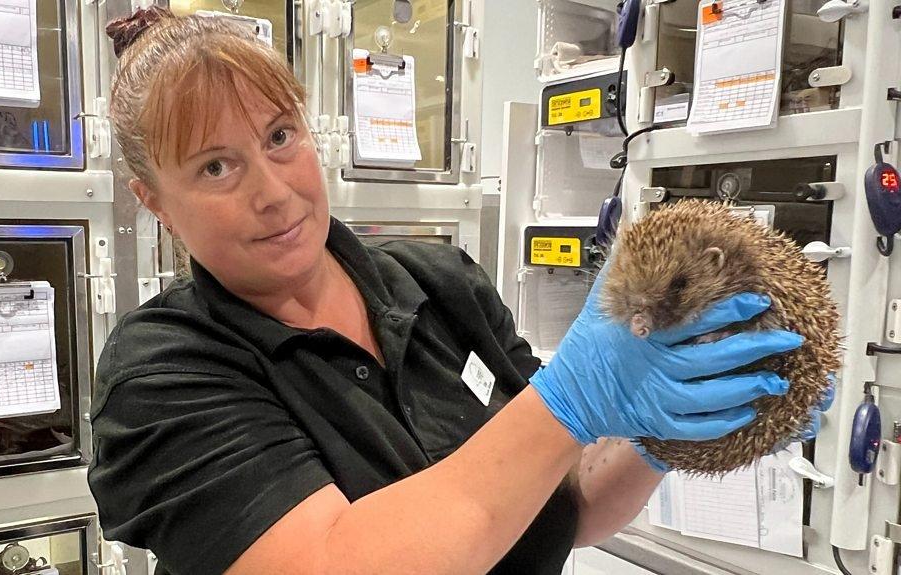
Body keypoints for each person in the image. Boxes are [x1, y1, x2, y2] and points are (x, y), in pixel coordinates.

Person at [88, 9, 821, 574]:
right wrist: (570, 399)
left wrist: (672, 438)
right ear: (153, 198)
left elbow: (567, 504)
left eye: (281, 136)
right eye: (216, 167)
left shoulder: (438, 282)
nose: (274, 193)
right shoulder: (161, 372)